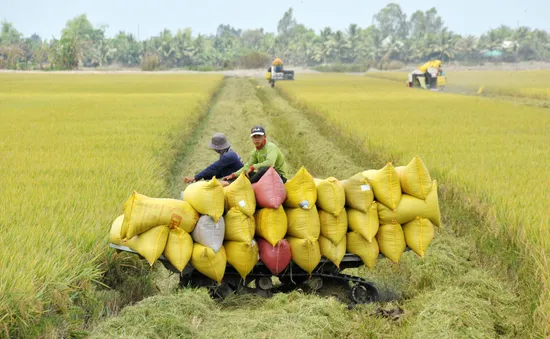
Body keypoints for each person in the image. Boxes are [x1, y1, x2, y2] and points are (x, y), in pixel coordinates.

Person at [223, 125, 287, 184]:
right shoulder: (255, 152)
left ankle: (248, 185)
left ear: (264, 137)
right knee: (247, 173)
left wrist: (253, 167)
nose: (257, 139)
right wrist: (233, 175)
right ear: (252, 138)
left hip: (279, 177)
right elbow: (247, 166)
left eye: (259, 136)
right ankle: (228, 183)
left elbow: (270, 163)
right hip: (266, 176)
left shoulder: (271, 147)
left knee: (263, 169)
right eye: (254, 137)